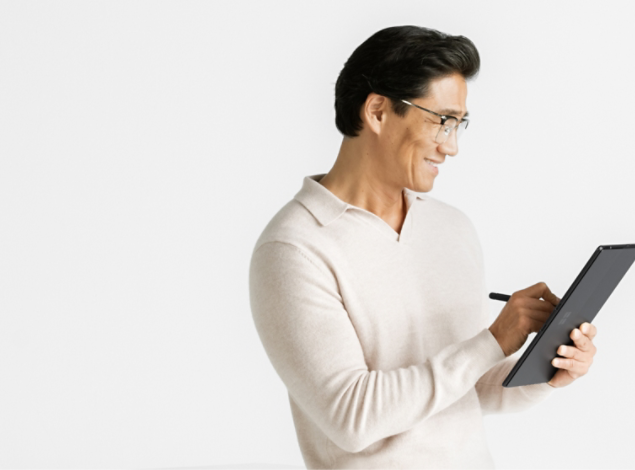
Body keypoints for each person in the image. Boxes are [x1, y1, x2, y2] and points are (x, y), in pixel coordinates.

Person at [248, 25, 598, 469]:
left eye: (460, 124)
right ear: (377, 111)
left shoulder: (451, 228)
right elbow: (351, 417)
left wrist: (548, 371)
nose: (451, 146)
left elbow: (469, 390)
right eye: (442, 120)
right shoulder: (293, 248)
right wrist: (492, 341)